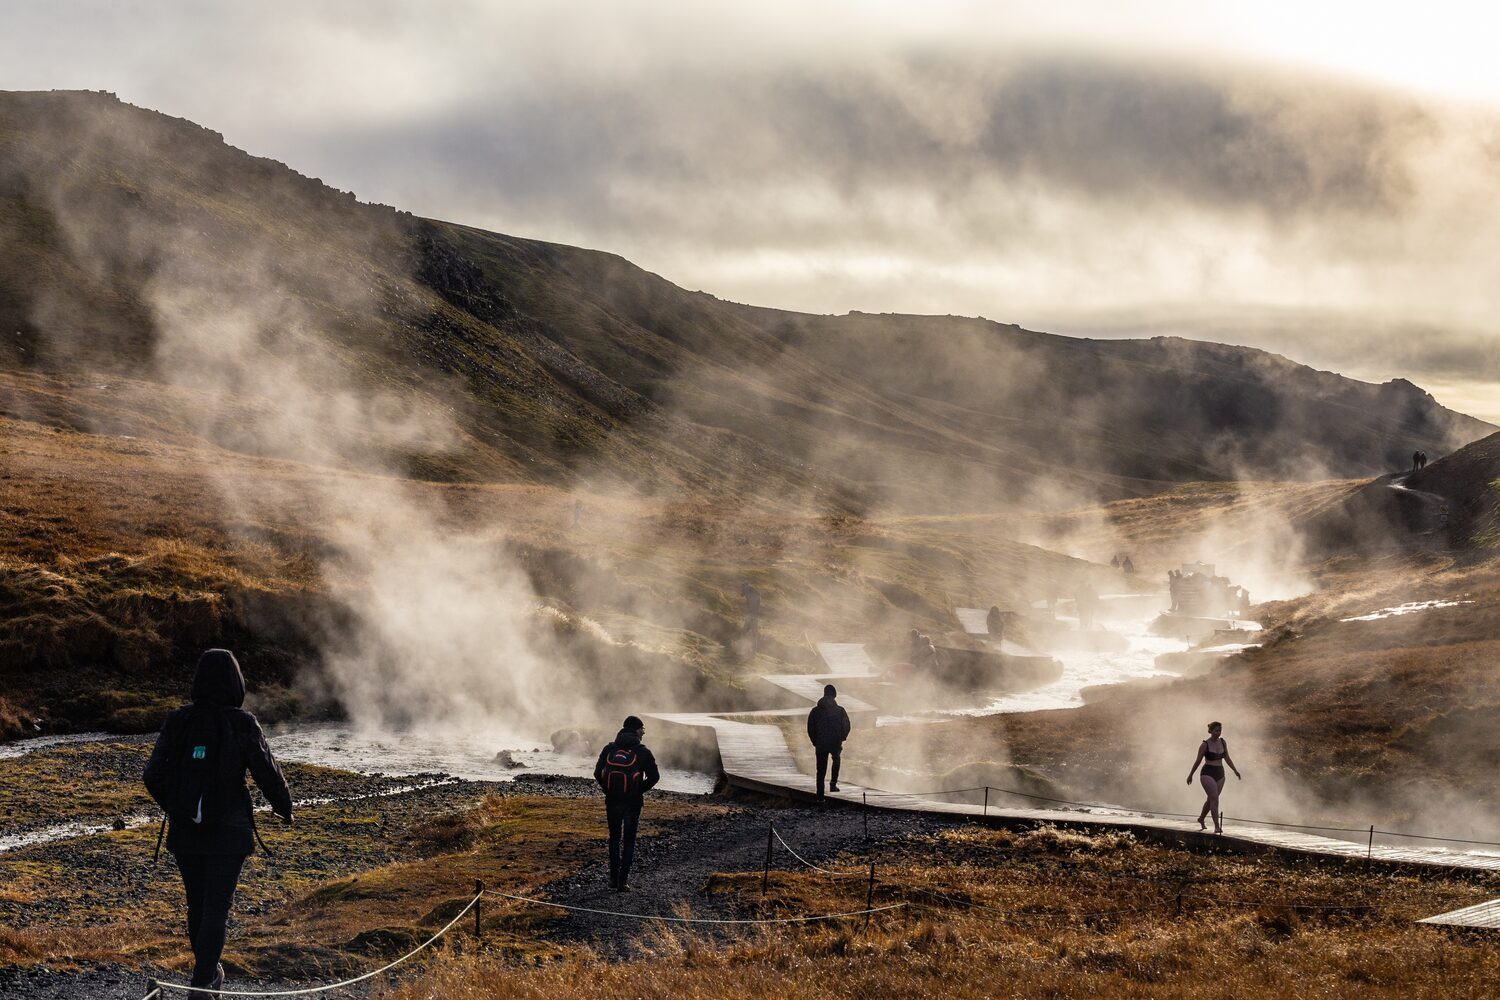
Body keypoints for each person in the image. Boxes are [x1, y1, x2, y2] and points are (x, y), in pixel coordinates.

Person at [143, 650, 292, 994]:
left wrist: (179, 807)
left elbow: (153, 774)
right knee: (216, 909)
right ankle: (202, 983)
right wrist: (284, 807)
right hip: (229, 832)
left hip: (185, 833)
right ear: (235, 681)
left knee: (198, 904)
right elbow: (267, 771)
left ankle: (206, 976)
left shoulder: (178, 720)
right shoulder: (242, 723)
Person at [594, 716, 659, 892]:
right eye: (643, 729)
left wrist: (608, 790)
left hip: (612, 801)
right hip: (633, 803)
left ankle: (613, 879)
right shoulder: (643, 752)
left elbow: (597, 773)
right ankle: (623, 881)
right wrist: (637, 790)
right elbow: (655, 777)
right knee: (629, 840)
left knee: (614, 838)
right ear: (636, 730)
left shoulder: (609, 748)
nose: (644, 732)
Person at [1186, 721, 1241, 834]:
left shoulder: (1223, 742)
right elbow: (1197, 761)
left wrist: (1235, 770)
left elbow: (1227, 758)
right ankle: (1217, 826)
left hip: (1220, 773)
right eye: (1216, 730)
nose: (1218, 733)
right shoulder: (1205, 744)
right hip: (1207, 773)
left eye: (1220, 730)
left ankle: (1201, 818)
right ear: (1210, 731)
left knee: (1211, 799)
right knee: (1215, 799)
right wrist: (1191, 774)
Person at [806, 684, 851, 800]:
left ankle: (820, 796)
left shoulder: (815, 711)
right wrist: (842, 737)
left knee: (820, 769)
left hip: (820, 743)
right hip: (835, 742)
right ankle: (833, 784)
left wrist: (814, 741)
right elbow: (847, 726)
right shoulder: (840, 711)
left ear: (824, 694)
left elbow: (810, 727)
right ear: (834, 695)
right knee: (836, 759)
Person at [740, 582, 763, 654]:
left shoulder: (748, 591)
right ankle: (753, 650)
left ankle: (742, 647)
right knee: (754, 634)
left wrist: (749, 612)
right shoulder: (754, 592)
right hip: (754, 617)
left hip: (751, 617)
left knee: (745, 632)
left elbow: (749, 604)